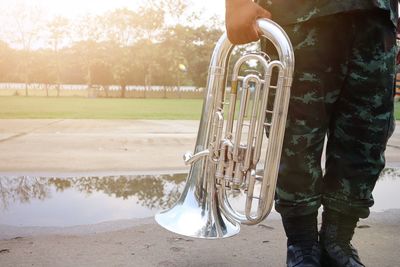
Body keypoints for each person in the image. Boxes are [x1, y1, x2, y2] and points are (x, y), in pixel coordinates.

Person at [225, 0, 398, 266]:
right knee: (295, 139)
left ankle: (337, 242)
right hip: (298, 16)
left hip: (376, 17)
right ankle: (302, 245)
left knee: (367, 139)